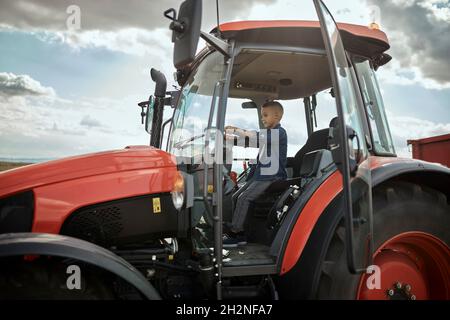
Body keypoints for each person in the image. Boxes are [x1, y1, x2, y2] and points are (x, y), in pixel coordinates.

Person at [223, 101, 287, 247]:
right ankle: (237, 226)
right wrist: (230, 139)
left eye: (265, 115)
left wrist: (237, 129)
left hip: (272, 176)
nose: (263, 118)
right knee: (236, 196)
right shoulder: (269, 134)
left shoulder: (279, 133)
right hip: (261, 175)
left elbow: (257, 137)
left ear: (276, 116)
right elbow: (250, 141)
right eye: (261, 115)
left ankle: (237, 234)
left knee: (244, 198)